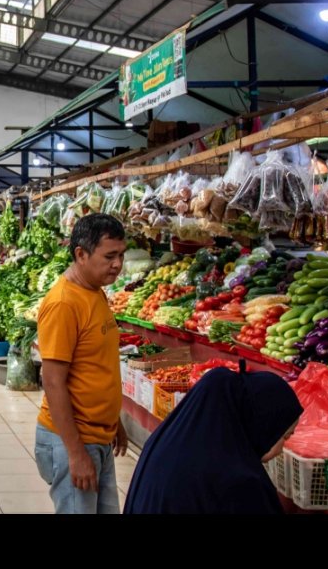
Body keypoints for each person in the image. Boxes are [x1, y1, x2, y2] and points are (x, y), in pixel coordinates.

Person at [34, 213, 128, 515]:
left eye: (121, 255)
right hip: (72, 440)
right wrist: (75, 453)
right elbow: (52, 381)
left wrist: (115, 419)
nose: (117, 264)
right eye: (109, 256)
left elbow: (96, 365)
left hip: (98, 435)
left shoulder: (95, 292)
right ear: (81, 254)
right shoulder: (64, 303)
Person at [124, 368, 302, 514]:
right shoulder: (237, 481)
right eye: (285, 436)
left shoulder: (167, 444)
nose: (282, 449)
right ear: (262, 426)